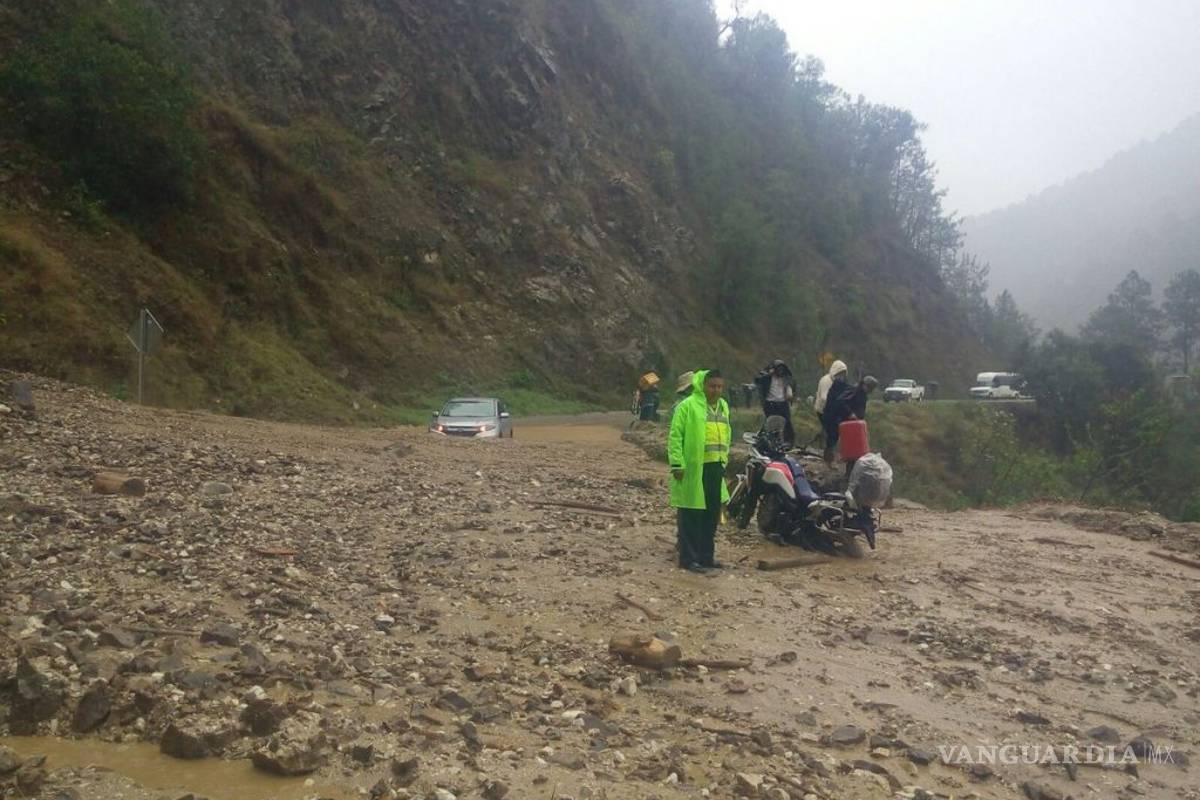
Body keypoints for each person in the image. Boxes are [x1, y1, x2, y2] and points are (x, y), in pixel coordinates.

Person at [668, 369, 730, 573]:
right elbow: (675, 436)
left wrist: (724, 461)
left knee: (711, 514)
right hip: (694, 468)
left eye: (720, 387)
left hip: (715, 466)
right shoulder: (688, 406)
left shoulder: (723, 406)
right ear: (702, 385)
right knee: (691, 513)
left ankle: (706, 556)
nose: (716, 390)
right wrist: (677, 463)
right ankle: (689, 559)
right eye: (712, 386)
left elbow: (727, 435)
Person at [822, 374, 879, 462]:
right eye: (868, 387)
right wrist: (850, 413)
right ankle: (829, 460)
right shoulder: (854, 390)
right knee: (833, 438)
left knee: (853, 442)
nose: (868, 390)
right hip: (841, 419)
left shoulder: (863, 395)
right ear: (864, 384)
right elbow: (841, 401)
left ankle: (848, 461)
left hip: (853, 422)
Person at [754, 360, 795, 447]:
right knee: (770, 422)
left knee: (787, 422)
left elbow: (792, 383)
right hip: (770, 403)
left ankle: (788, 442)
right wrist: (768, 373)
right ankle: (766, 439)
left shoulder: (786, 378)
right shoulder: (768, 378)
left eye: (782, 369)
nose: (780, 371)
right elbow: (757, 380)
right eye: (778, 369)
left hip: (783, 403)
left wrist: (791, 393)